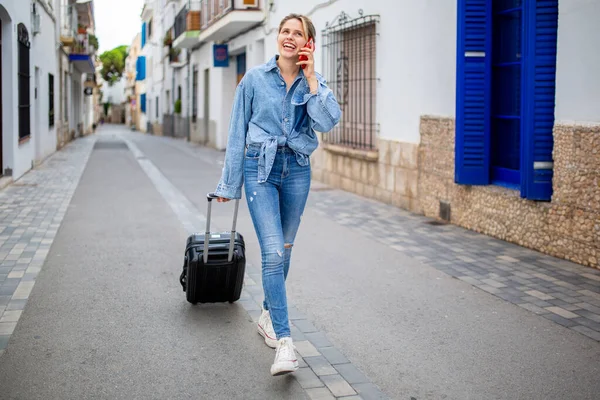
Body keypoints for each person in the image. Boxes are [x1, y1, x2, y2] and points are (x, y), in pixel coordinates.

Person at [213, 13, 341, 376]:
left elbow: (327, 122)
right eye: (285, 31)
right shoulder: (253, 79)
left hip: (297, 170)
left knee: (284, 251)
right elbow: (238, 131)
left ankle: (267, 316)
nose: (289, 37)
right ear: (277, 37)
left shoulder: (313, 82)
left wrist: (312, 77)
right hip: (260, 169)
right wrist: (229, 183)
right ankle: (285, 342)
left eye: (297, 33)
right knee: (271, 251)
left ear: (308, 43)